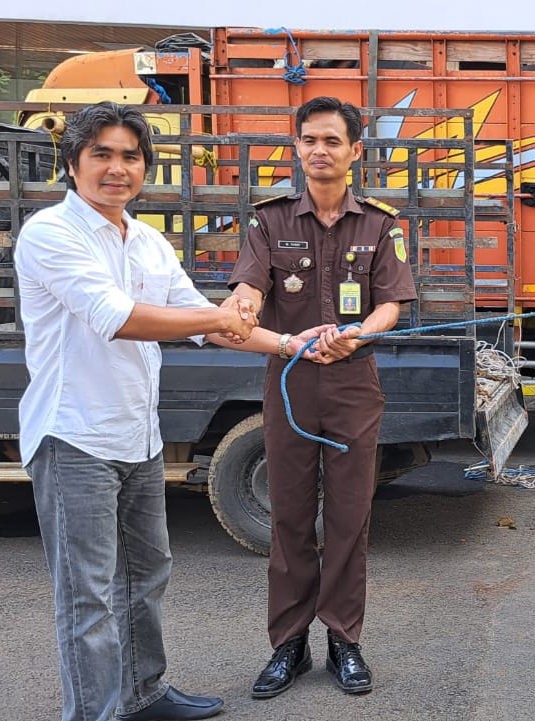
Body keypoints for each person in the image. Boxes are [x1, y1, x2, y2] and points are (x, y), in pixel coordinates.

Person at [16, 102, 330, 721]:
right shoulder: (52, 233)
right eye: (101, 154)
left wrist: (294, 344)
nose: (116, 168)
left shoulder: (147, 241)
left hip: (136, 435)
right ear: (72, 163)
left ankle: (143, 695)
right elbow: (121, 319)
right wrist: (221, 315)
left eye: (130, 156)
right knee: (90, 598)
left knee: (146, 575)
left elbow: (205, 325)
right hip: (73, 435)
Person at [225, 96, 417, 700]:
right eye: (309, 140)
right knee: (287, 515)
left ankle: (343, 640)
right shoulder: (269, 220)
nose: (319, 151)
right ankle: (288, 645)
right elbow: (249, 287)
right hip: (290, 384)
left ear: (356, 151)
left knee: (349, 516)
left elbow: (391, 302)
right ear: (298, 147)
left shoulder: (381, 224)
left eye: (332, 141)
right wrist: (249, 309)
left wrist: (361, 332)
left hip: (353, 386)